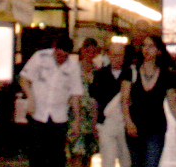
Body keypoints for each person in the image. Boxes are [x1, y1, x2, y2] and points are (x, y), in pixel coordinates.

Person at [20, 34, 83, 167]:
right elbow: (24, 79)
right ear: (54, 49)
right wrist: (31, 98)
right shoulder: (40, 57)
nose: (61, 59)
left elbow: (76, 94)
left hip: (59, 116)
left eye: (65, 57)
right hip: (38, 113)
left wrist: (77, 120)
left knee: (57, 156)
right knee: (36, 154)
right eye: (59, 55)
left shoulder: (73, 66)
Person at [121, 34, 176, 167]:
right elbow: (124, 100)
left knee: (151, 163)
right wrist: (128, 122)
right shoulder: (131, 71)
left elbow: (172, 103)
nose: (146, 49)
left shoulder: (166, 75)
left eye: (151, 46)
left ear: (159, 51)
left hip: (156, 127)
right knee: (136, 163)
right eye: (144, 46)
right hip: (135, 126)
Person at [94, 42, 133, 167]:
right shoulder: (100, 74)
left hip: (125, 123)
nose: (117, 58)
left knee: (126, 159)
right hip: (106, 122)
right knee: (108, 160)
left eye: (120, 55)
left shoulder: (131, 74)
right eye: (114, 55)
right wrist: (96, 122)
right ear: (109, 56)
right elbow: (95, 100)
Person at [67, 39, 105, 167]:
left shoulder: (98, 72)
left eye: (93, 52)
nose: (90, 54)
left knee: (88, 154)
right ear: (82, 51)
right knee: (77, 153)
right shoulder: (73, 70)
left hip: (92, 117)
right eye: (87, 51)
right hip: (77, 116)